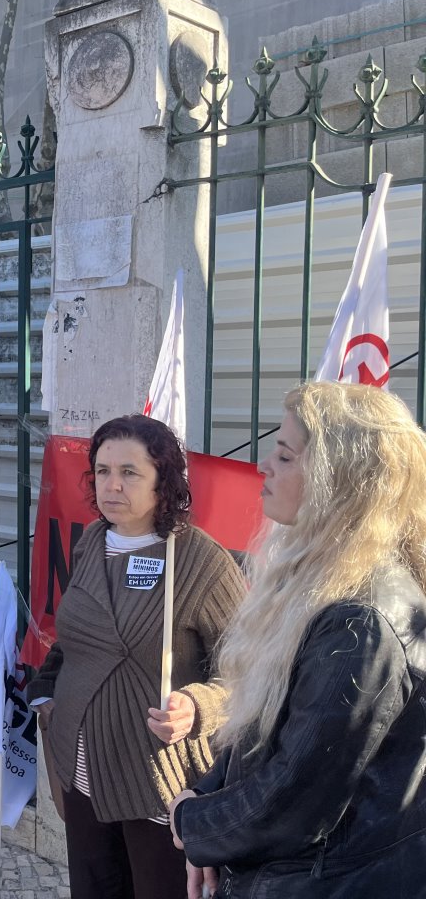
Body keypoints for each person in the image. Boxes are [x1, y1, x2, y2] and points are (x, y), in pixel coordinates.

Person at [171, 382, 426, 898]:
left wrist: (192, 823)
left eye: (285, 455)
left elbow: (293, 801)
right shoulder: (323, 578)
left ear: (341, 480)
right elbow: (265, 734)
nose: (263, 465)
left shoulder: (362, 620)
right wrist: (201, 798)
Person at [27, 414, 245, 899]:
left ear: (163, 482)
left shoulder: (202, 562)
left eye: (129, 472)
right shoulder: (91, 542)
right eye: (102, 471)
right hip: (80, 772)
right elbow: (73, 636)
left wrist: (198, 707)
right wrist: (45, 692)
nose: (112, 485)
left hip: (156, 780)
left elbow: (248, 674)